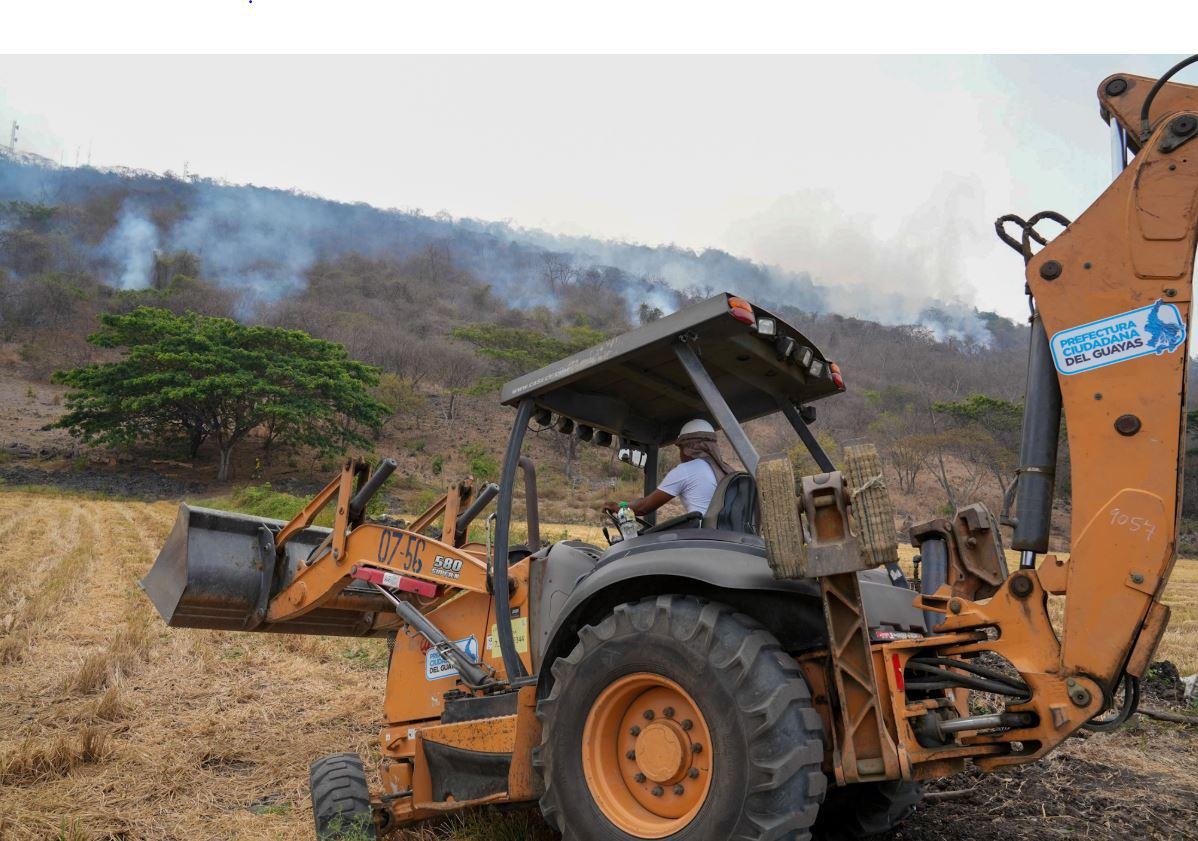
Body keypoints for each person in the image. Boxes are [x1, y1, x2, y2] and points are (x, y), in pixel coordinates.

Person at [604, 419, 735, 520]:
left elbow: (643, 508)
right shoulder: (728, 471)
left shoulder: (687, 470)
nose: (680, 454)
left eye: (680, 449)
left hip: (701, 540)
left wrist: (617, 507)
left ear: (688, 447)